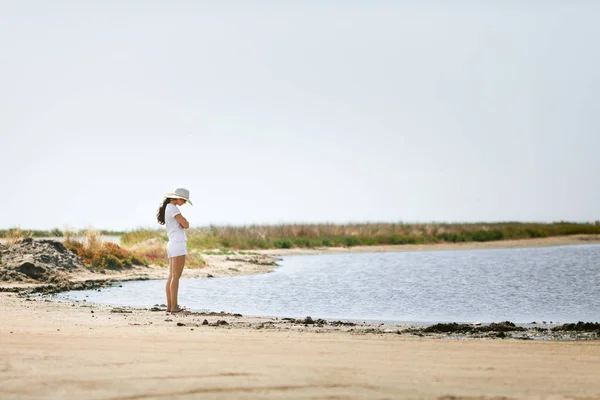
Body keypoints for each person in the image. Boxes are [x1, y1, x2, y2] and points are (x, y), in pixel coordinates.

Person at [156, 188, 192, 313]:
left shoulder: (169, 208)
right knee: (176, 276)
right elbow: (186, 224)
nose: (185, 203)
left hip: (172, 244)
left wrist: (184, 223)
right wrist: (185, 222)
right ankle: (174, 307)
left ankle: (170, 307)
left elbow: (183, 224)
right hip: (178, 244)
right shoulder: (173, 208)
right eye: (184, 200)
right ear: (177, 198)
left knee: (172, 276)